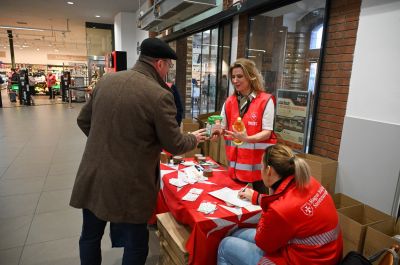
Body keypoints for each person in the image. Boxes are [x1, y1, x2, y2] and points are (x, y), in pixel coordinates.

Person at [69, 37, 207, 265]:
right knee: (136, 242)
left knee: (90, 237)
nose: (168, 72)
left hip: (93, 174)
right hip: (129, 185)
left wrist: (106, 144)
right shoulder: (159, 95)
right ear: (160, 63)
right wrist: (194, 138)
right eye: (168, 67)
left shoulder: (106, 80)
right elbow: (174, 144)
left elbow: (83, 120)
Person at [217, 144, 343, 265]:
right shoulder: (307, 181)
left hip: (304, 260)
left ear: (269, 171)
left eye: (261, 166)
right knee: (237, 232)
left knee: (225, 244)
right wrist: (257, 197)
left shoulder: (280, 209)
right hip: (323, 255)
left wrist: (268, 204)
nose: (260, 171)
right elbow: (288, 201)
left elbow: (263, 243)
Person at [216, 58, 277, 193]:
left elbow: (267, 132)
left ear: (250, 77)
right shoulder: (229, 102)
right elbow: (222, 125)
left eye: (239, 76)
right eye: (233, 77)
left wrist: (247, 138)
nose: (235, 80)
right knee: (235, 203)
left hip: (259, 170)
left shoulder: (266, 101)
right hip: (235, 168)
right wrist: (216, 131)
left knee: (260, 205)